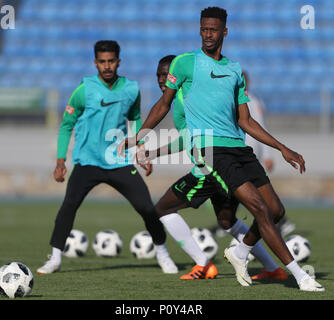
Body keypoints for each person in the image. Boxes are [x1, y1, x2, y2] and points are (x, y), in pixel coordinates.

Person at [118, 7, 324, 292]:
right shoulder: (184, 64)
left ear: (224, 32)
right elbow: (163, 104)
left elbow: (246, 120)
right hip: (211, 151)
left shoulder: (234, 70)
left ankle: (240, 253)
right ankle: (300, 276)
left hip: (238, 148)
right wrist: (138, 137)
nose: (207, 35)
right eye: (203, 29)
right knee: (259, 209)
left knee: (275, 210)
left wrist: (282, 148)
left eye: (213, 30)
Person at [37, 40, 178, 275]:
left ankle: (162, 252)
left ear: (118, 61)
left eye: (111, 61)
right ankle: (55, 258)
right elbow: (66, 125)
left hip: (118, 161)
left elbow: (135, 122)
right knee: (69, 206)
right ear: (95, 63)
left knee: (146, 207)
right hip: (87, 161)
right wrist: (61, 160)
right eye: (102, 62)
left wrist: (141, 151)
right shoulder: (84, 89)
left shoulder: (131, 89)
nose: (107, 66)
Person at [148, 55, 288, 281]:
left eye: (167, 74)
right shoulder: (191, 97)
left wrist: (152, 152)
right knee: (227, 221)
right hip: (223, 162)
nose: (163, 79)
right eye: (159, 75)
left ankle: (203, 264)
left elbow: (186, 140)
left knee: (162, 209)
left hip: (209, 167)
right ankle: (272, 268)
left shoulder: (184, 99)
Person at [213, 71, 295, 238]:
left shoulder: (252, 101)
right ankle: (228, 223)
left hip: (248, 155)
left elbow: (260, 126)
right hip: (236, 153)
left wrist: (268, 155)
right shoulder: (230, 99)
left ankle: (278, 224)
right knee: (240, 193)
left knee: (251, 196)